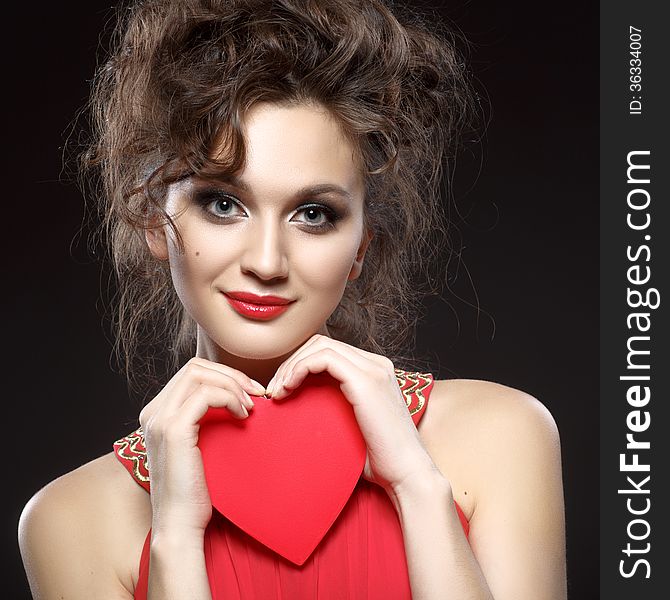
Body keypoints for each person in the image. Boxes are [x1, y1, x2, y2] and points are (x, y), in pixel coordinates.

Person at [18, 0, 567, 598]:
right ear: (156, 219)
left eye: (314, 214)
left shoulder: (501, 434)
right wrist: (175, 540)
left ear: (361, 245)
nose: (266, 262)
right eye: (222, 203)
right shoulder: (70, 521)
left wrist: (416, 484)